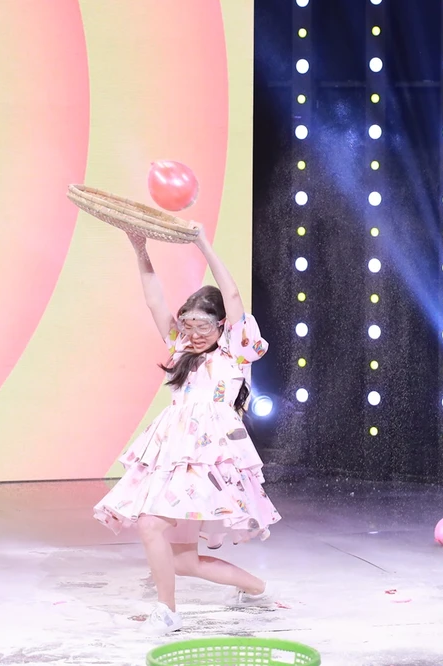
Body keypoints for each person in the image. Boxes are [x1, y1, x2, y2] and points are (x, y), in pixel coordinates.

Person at [93, 224, 281, 635]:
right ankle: (258, 589)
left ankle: (168, 612)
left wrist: (201, 242)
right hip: (175, 451)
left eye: (202, 327)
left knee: (150, 524)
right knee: (183, 561)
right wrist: (140, 248)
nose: (193, 335)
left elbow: (232, 296)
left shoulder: (234, 348)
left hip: (210, 457)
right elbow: (153, 299)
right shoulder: (181, 347)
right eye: (187, 326)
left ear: (222, 326)